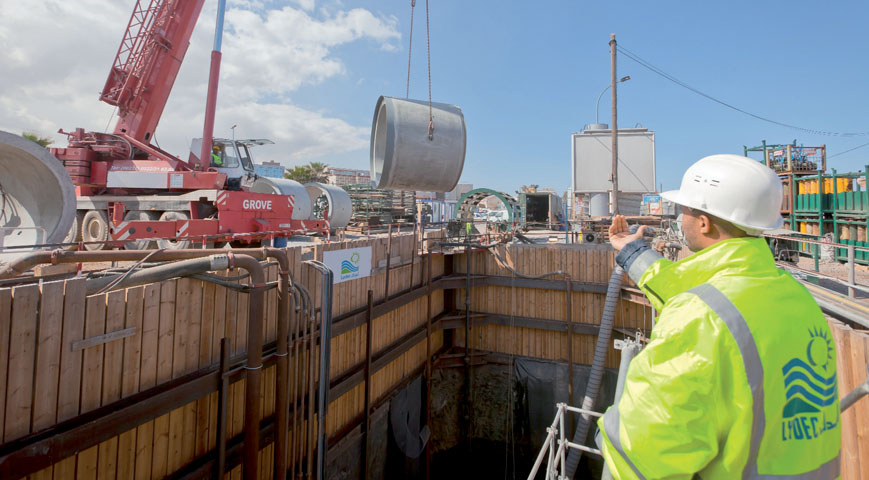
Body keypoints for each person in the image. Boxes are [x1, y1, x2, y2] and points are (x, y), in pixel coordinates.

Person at [598, 154, 841, 479]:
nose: (679, 219)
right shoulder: (793, 295)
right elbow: (702, 292)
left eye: (684, 210)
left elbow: (641, 456)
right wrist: (632, 251)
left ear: (704, 223)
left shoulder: (700, 318)